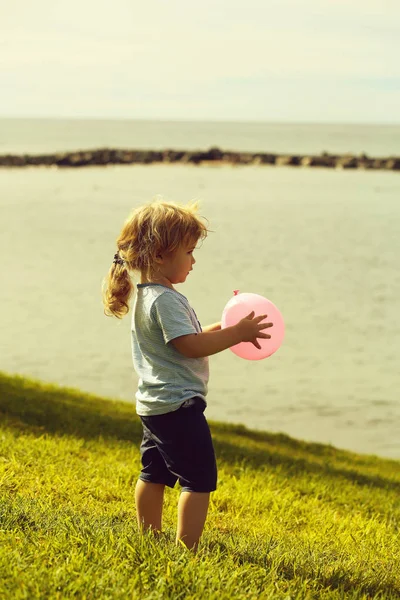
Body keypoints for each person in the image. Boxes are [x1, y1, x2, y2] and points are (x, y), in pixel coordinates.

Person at [101, 198, 272, 551]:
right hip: (179, 407)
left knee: (154, 472)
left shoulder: (151, 296)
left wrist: (224, 326)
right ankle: (188, 549)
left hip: (154, 405)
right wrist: (237, 335)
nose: (194, 261)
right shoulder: (165, 300)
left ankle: (149, 537)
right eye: (189, 252)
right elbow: (190, 347)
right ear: (161, 255)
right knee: (199, 480)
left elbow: (185, 337)